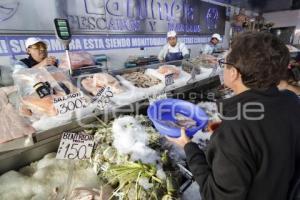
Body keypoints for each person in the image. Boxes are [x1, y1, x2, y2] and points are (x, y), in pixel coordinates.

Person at [168, 32, 300, 200]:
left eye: (224, 63)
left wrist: (188, 146)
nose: (223, 68)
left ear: (235, 73)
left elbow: (216, 195)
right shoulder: (291, 101)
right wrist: (228, 124)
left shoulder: (234, 133)